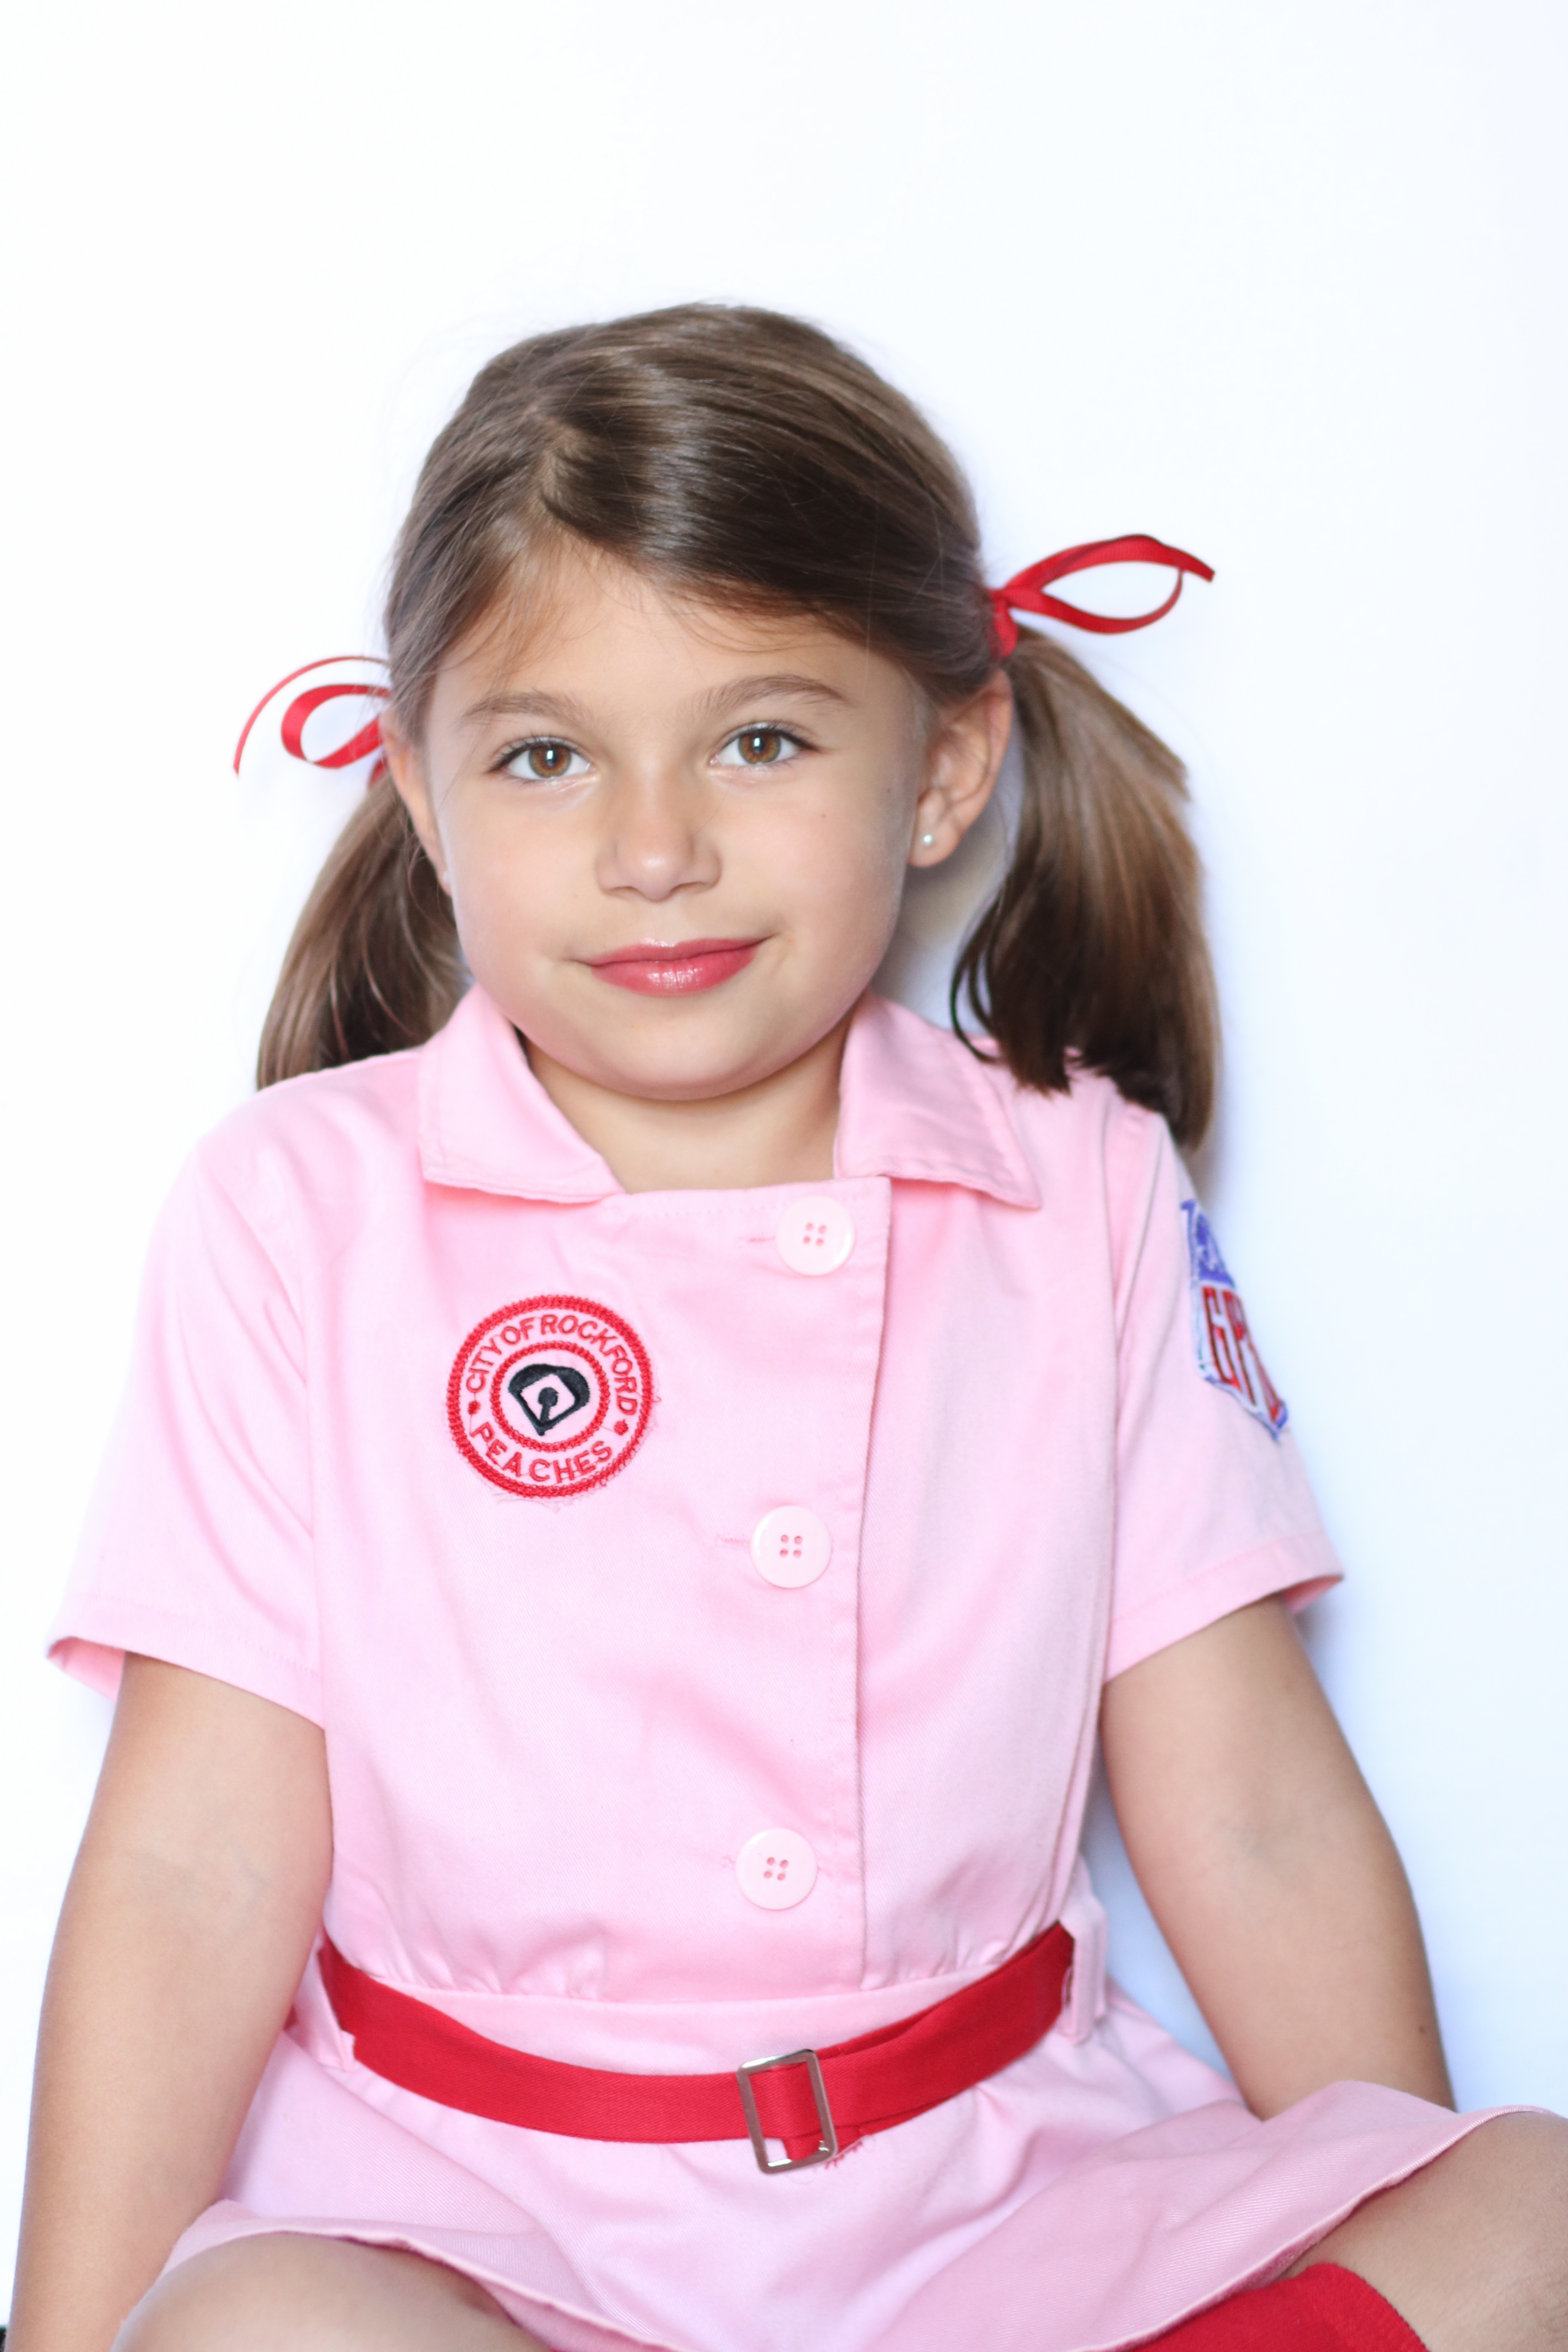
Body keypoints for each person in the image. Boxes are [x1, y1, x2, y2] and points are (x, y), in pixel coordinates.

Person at [10, 305, 1566, 2352]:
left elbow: (1253, 1807)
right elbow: (196, 1861)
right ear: (420, 793)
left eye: (759, 739)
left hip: (1002, 2224)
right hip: (488, 2241)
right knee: (265, 2329)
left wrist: (1377, 2210)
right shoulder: (295, 1209)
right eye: (546, 755)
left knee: (1529, 2203)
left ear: (941, 770)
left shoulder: (1077, 1187)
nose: (653, 848)